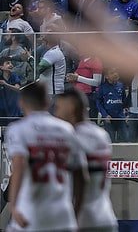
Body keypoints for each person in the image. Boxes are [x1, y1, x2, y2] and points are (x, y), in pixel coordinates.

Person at [5, 82, 87, 232]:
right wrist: (76, 211)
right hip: (63, 215)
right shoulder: (66, 129)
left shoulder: (17, 129)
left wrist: (14, 205)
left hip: (30, 212)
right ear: (48, 102)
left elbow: (19, 166)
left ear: (21, 102)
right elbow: (81, 175)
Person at [55, 89, 117, 232]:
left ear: (70, 107)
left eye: (58, 108)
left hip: (83, 220)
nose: (56, 114)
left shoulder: (71, 136)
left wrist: (74, 217)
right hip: (106, 216)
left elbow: (80, 179)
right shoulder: (102, 135)